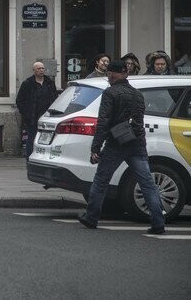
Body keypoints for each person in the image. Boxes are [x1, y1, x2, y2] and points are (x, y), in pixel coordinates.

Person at [77, 60, 165, 234]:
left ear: (112, 74)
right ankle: (158, 222)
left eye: (110, 73)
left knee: (101, 180)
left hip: (116, 143)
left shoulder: (110, 93)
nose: (109, 77)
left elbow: (103, 121)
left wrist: (95, 148)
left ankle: (91, 216)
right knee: (147, 183)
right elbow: (138, 121)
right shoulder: (137, 94)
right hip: (137, 143)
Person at [16, 61, 58, 161]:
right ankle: (30, 158)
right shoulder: (28, 83)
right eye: (38, 68)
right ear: (34, 70)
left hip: (47, 117)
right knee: (32, 138)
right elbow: (19, 100)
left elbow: (55, 98)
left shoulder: (49, 83)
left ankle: (45, 158)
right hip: (32, 117)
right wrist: (25, 113)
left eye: (42, 68)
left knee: (47, 139)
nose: (41, 70)